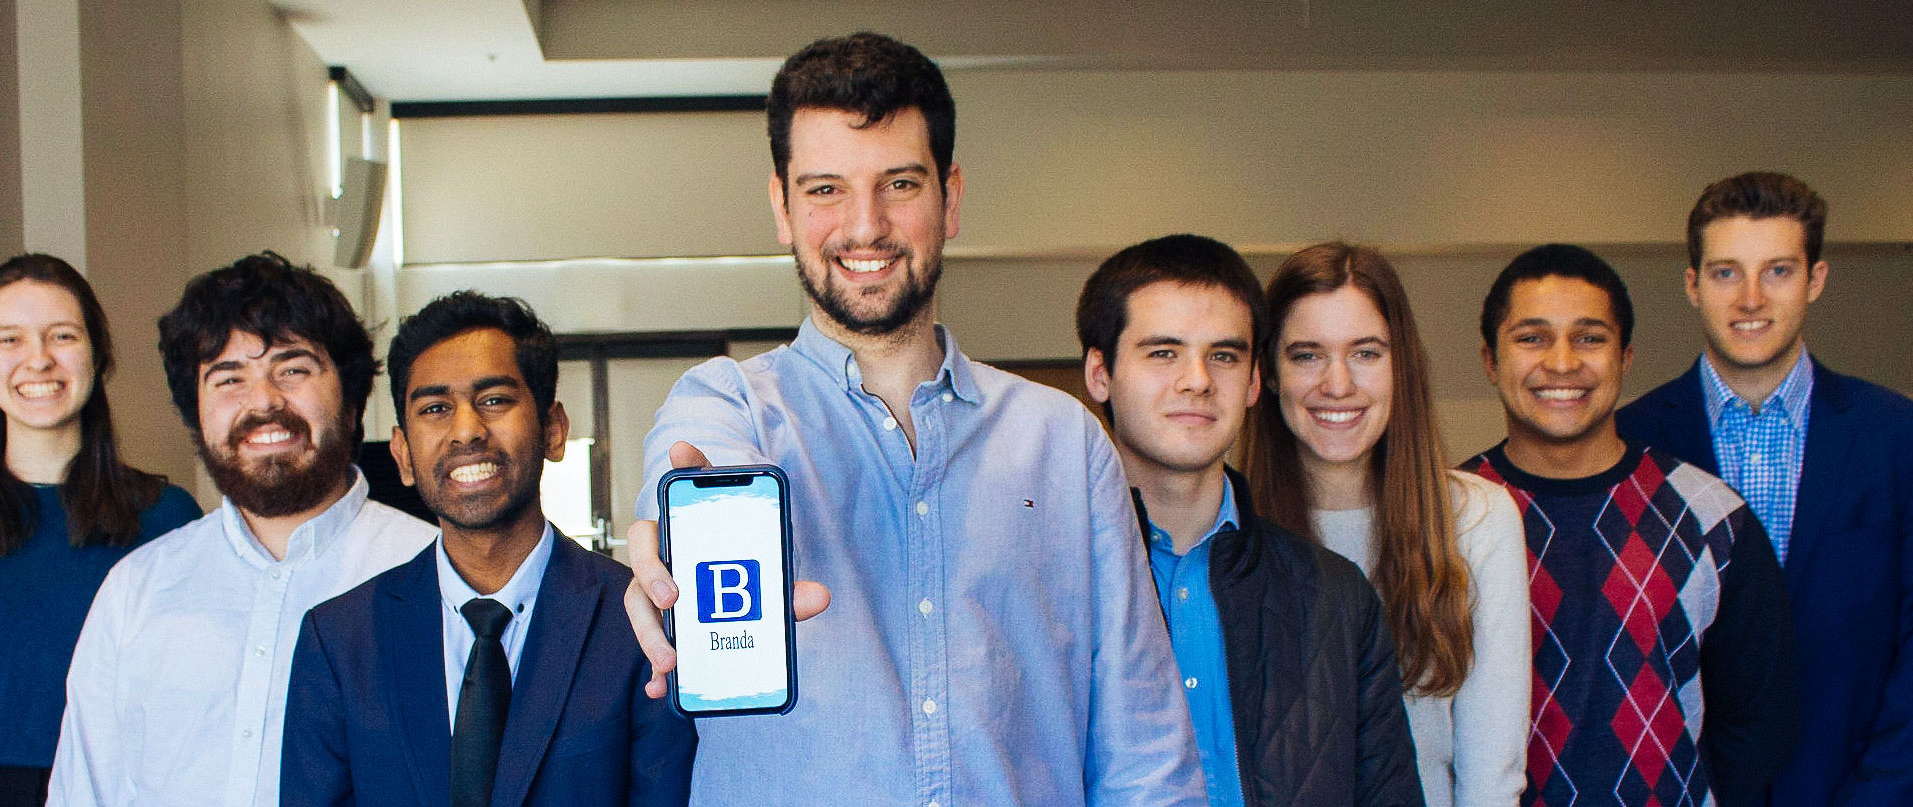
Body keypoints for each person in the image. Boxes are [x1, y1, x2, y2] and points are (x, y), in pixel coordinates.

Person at [621, 32, 1204, 806]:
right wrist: (674, 551)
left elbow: (1147, 758)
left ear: (950, 197)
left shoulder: (1063, 443)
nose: (865, 226)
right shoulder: (728, 404)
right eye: (825, 188)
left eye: (899, 183)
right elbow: (690, 467)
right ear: (782, 207)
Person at [48, 253, 434, 806]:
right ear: (197, 415)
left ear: (351, 402)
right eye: (228, 378)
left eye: (293, 370)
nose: (264, 401)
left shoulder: (438, 578)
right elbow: (82, 793)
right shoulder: (136, 591)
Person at [281, 291, 695, 806]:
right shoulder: (340, 640)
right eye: (435, 408)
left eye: (494, 400)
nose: (466, 431)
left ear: (553, 430)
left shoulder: (642, 625)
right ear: (403, 455)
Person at [1077, 234, 1424, 807]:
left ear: (1255, 381)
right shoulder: (1044, 581)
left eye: (1224, 355)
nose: (1197, 379)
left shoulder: (1337, 597)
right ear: (1100, 373)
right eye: (1163, 352)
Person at [1617, 172, 1913, 806]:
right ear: (1692, 285)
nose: (1750, 298)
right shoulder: (1630, 442)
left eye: (1777, 271)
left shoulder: (1900, 440)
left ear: (1816, 280)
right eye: (1727, 272)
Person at [1461, 243, 1799, 807]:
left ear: (1626, 357)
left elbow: (1758, 721)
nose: (1563, 362)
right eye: (1532, 337)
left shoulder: (1711, 516)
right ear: (1491, 361)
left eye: (1590, 337)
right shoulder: (1443, 516)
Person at [0, 254, 201, 806]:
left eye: (62, 336)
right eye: (9, 341)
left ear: (98, 355)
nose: (39, 360)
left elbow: (199, 707)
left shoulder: (166, 519)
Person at [1240, 242, 1529, 807]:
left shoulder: (1477, 520)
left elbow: (1492, 779)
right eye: (1306, 355)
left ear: (1401, 365)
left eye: (1366, 352)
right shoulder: (1230, 530)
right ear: (1268, 374)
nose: (1338, 384)